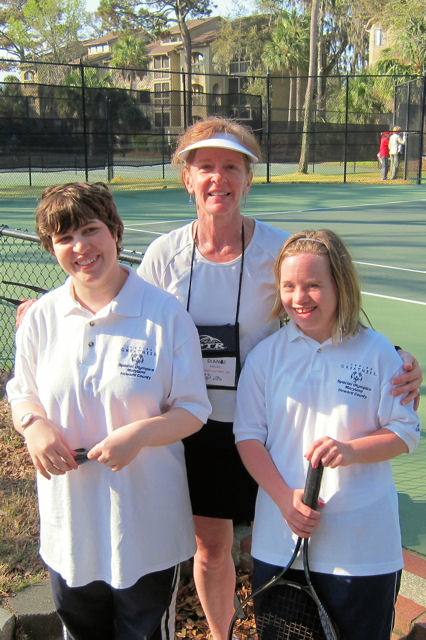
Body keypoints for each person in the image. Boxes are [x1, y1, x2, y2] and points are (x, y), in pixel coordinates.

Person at [137, 116, 422, 640]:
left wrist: (399, 358)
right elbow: (131, 316)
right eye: (205, 167)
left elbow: (329, 311)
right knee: (212, 548)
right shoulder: (163, 255)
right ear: (186, 178)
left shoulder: (277, 248)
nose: (217, 179)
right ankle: (225, 634)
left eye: (231, 167)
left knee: (284, 532)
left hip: (267, 428)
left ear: (248, 178)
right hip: (195, 427)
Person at [6, 182, 212, 640]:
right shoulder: (41, 318)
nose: (80, 247)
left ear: (114, 231)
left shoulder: (165, 314)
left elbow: (193, 410)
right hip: (70, 524)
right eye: (64, 238)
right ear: (51, 247)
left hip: (146, 527)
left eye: (89, 230)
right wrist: (33, 425)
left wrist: (138, 436)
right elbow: (23, 391)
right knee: (81, 631)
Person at [233, 229, 420, 640]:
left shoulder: (380, 353)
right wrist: (286, 500)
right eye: (289, 286)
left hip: (364, 550)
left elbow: (405, 434)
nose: (300, 297)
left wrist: (350, 450)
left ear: (341, 284)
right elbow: (248, 437)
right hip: (279, 544)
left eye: (313, 285)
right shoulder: (266, 356)